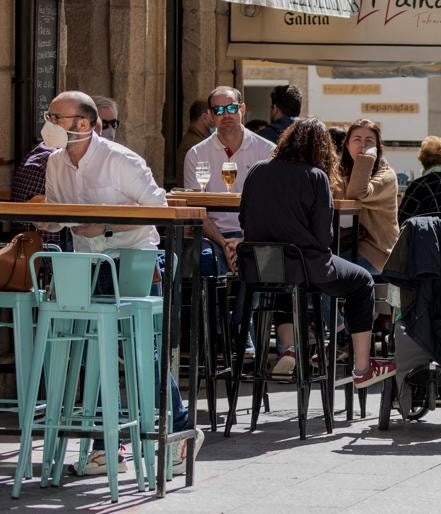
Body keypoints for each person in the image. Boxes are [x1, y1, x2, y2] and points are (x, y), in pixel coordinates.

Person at [41, 91, 200, 474]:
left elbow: (158, 212)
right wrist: (44, 218)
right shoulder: (56, 163)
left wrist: (107, 225)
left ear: (81, 124)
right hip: (88, 263)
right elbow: (57, 215)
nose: (48, 123)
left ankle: (178, 432)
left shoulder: (121, 160)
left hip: (134, 260)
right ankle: (103, 446)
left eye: (54, 116)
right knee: (97, 351)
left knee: (145, 354)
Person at [239, 117, 395, 387]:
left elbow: (244, 220)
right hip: (307, 267)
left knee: (284, 287)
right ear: (323, 148)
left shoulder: (256, 170)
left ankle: (289, 349)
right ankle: (361, 368)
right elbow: (324, 238)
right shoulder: (315, 177)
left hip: (261, 268)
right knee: (362, 282)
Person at [183, 87, 276, 275]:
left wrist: (244, 240)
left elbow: (274, 205)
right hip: (212, 236)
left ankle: (248, 306)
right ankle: (211, 306)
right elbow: (195, 209)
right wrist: (224, 243)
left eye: (231, 108)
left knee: (265, 265)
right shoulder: (196, 154)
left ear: (242, 109)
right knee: (202, 260)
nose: (225, 114)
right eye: (218, 110)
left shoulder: (267, 151)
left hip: (255, 236)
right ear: (210, 115)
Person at [337, 119, 399, 275]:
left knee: (332, 275)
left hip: (375, 253)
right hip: (344, 247)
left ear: (377, 148)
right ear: (347, 145)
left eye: (369, 141)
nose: (363, 145)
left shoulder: (386, 175)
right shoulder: (339, 173)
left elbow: (357, 193)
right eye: (357, 139)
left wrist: (367, 157)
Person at [175, 100, 212, 174]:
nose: (214, 120)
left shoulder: (198, 140)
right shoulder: (194, 146)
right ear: (204, 118)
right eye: (212, 117)